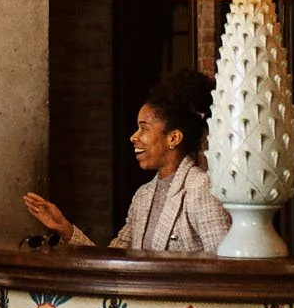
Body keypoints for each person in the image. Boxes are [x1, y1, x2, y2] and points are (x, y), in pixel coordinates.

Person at [23, 68, 231, 254]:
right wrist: (65, 230)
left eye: (144, 128)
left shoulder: (202, 189)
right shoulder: (143, 196)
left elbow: (226, 267)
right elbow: (112, 260)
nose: (133, 137)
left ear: (173, 138)